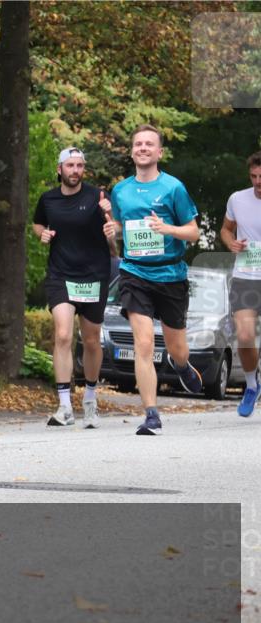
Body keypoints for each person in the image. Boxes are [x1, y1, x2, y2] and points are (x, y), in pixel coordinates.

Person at [101, 124, 202, 436]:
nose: (143, 148)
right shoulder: (121, 190)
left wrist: (167, 229)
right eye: (138, 144)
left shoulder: (173, 188)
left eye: (149, 144)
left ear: (159, 152)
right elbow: (122, 226)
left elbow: (194, 232)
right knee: (143, 343)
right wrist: (113, 230)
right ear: (132, 151)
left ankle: (181, 365)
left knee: (176, 348)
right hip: (135, 273)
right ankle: (151, 414)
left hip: (171, 275)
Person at [33, 147, 116, 429]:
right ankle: (64, 406)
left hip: (93, 275)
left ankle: (90, 399)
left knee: (91, 340)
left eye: (80, 166)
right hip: (61, 274)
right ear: (60, 169)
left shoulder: (98, 197)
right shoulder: (48, 199)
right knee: (63, 335)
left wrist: (111, 219)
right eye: (70, 165)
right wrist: (43, 234)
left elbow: (115, 226)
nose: (75, 171)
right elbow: (37, 224)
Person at [220, 150, 261, 417]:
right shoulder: (237, 199)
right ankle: (251, 385)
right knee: (245, 337)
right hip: (246, 276)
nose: (258, 182)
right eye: (253, 176)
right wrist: (231, 243)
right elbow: (226, 229)